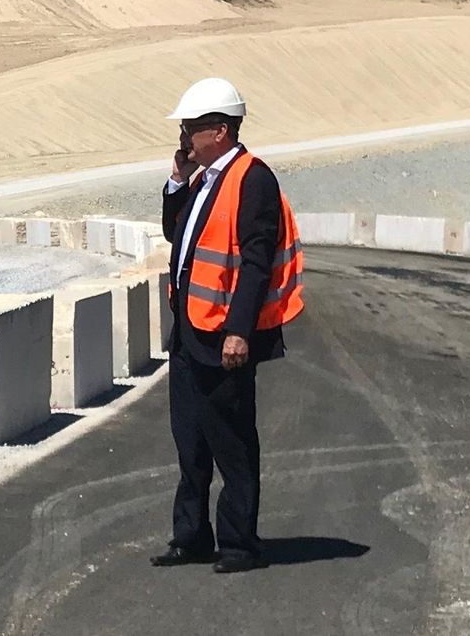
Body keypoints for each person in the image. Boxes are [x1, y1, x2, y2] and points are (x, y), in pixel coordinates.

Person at [149, 77, 305, 574]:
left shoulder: (252, 179)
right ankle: (191, 537)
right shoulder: (203, 179)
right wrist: (176, 180)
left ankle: (240, 544)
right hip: (191, 330)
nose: (184, 137)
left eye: (191, 129)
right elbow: (179, 234)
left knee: (232, 442)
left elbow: (256, 262)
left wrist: (240, 331)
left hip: (223, 335)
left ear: (219, 131)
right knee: (189, 440)